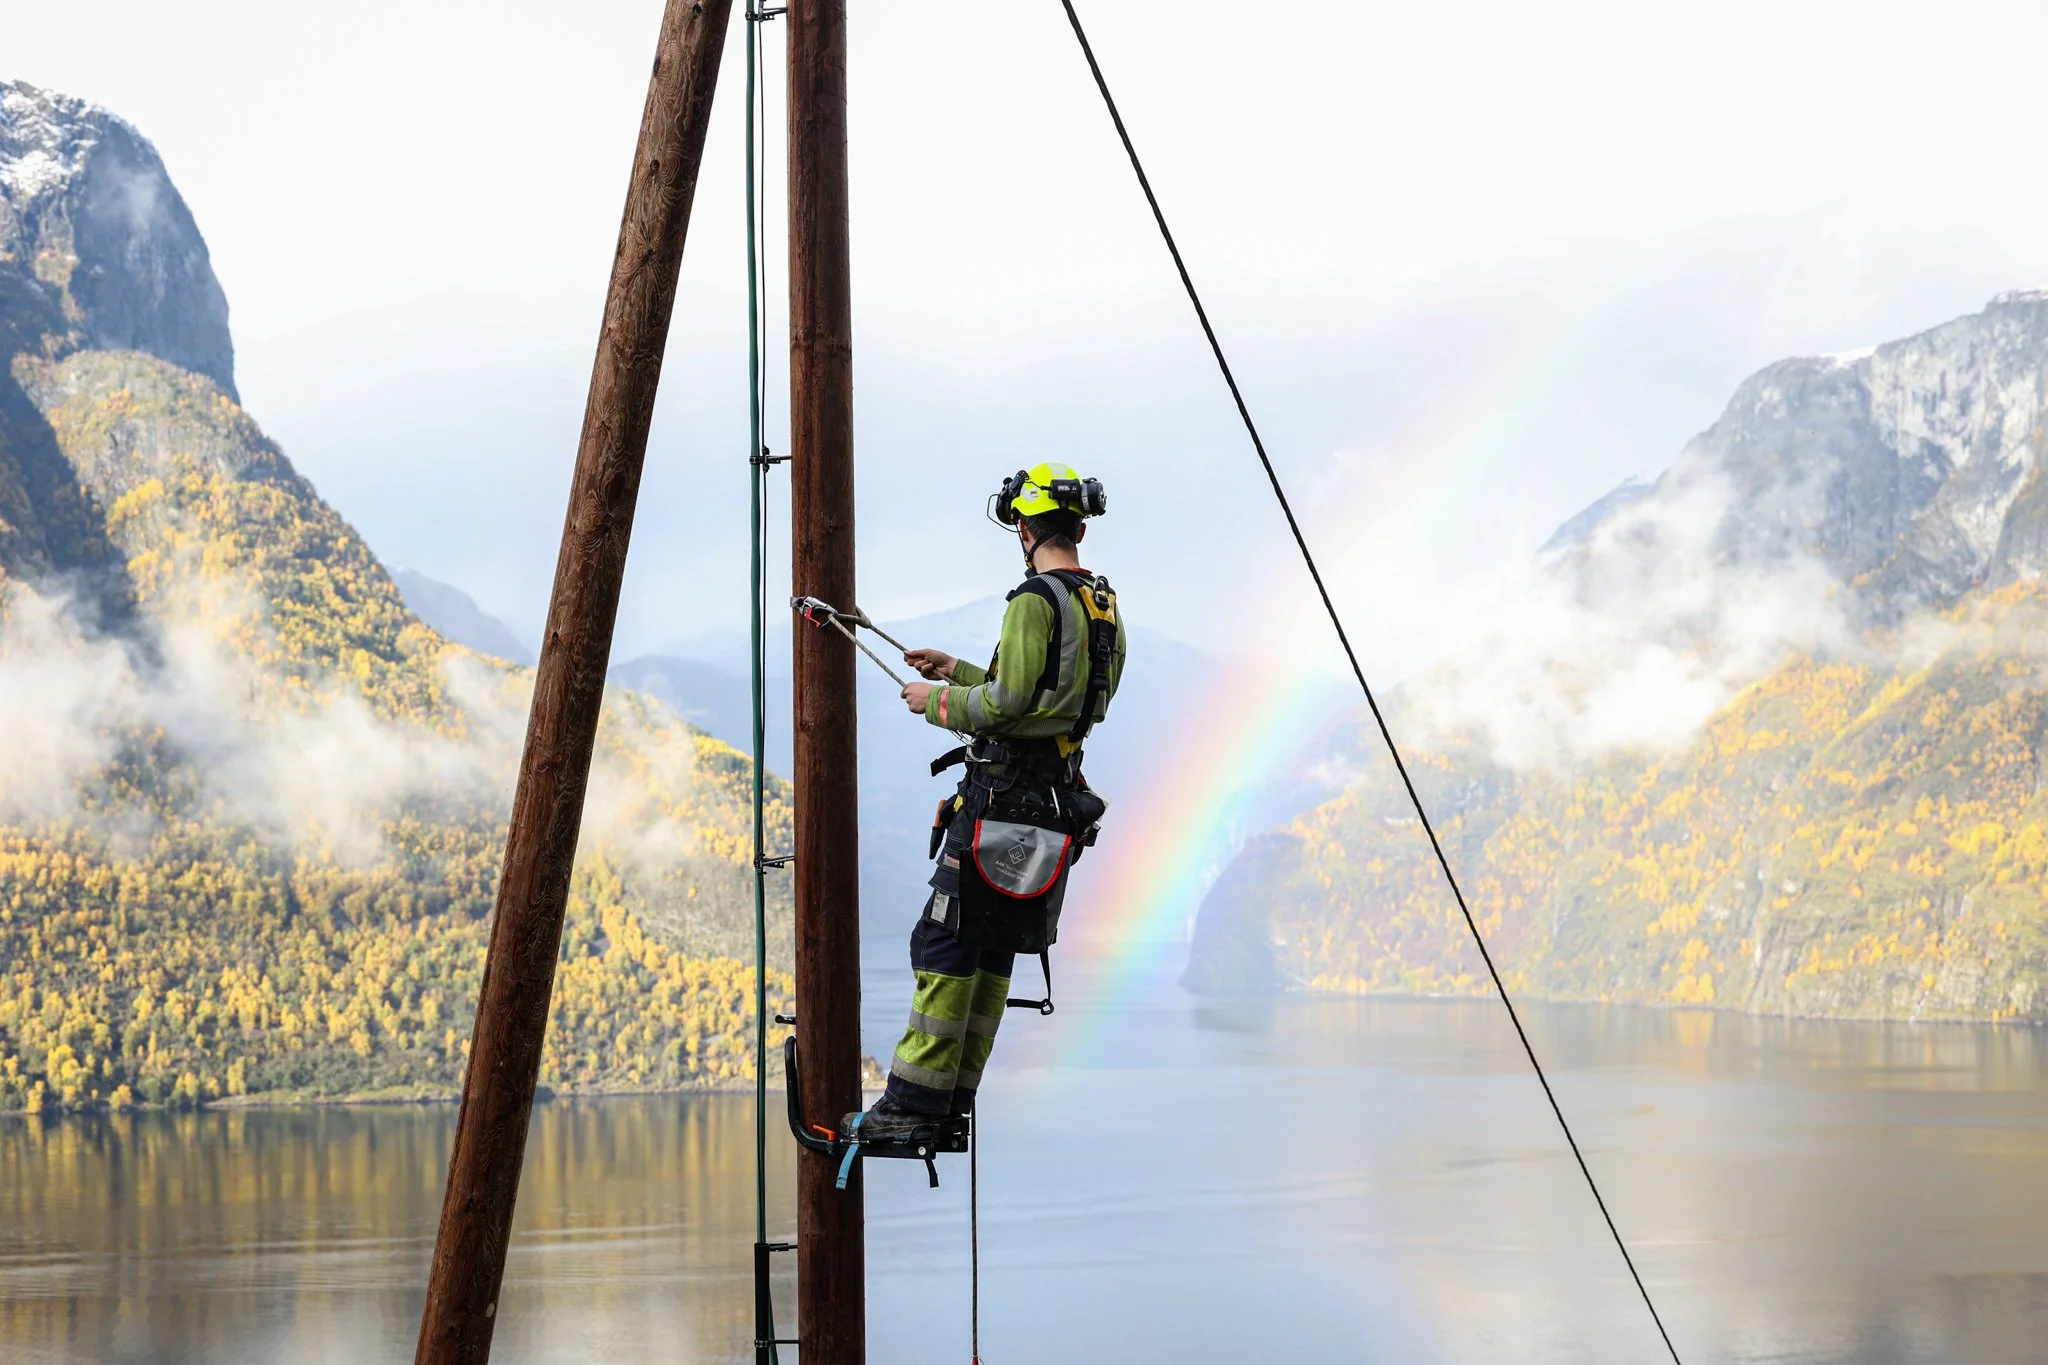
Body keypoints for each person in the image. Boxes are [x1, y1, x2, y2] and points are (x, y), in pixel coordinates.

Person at [853, 463, 1127, 1138]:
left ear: (1026, 529)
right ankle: (952, 1101)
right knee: (995, 947)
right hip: (1051, 806)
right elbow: (1051, 703)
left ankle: (914, 1104)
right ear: (1081, 528)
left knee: (946, 942)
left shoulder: (1033, 601)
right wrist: (957, 670)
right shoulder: (1099, 604)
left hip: (999, 801)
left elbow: (1007, 707)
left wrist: (938, 702)